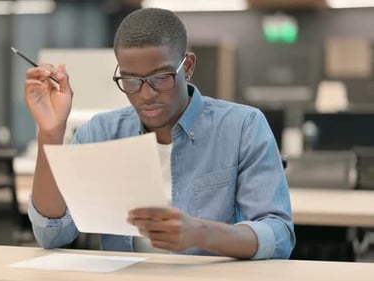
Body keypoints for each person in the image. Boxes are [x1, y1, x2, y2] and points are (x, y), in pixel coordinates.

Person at [24, 7, 295, 259]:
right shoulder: (101, 132)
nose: (146, 94)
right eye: (131, 80)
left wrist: (203, 233)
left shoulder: (242, 127)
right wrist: (51, 132)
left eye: (161, 78)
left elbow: (279, 235)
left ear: (187, 66)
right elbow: (52, 234)